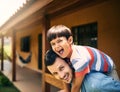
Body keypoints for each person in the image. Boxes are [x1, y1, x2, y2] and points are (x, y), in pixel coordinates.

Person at [46, 24, 120, 92]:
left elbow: (76, 87)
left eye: (59, 41)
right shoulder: (64, 54)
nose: (56, 46)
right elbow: (63, 73)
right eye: (53, 43)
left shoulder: (79, 59)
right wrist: (66, 89)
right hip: (92, 67)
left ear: (70, 40)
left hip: (108, 67)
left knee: (114, 87)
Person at [45, 49, 120, 92]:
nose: (61, 75)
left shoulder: (96, 84)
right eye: (55, 73)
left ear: (69, 62)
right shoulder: (69, 75)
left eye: (61, 68)